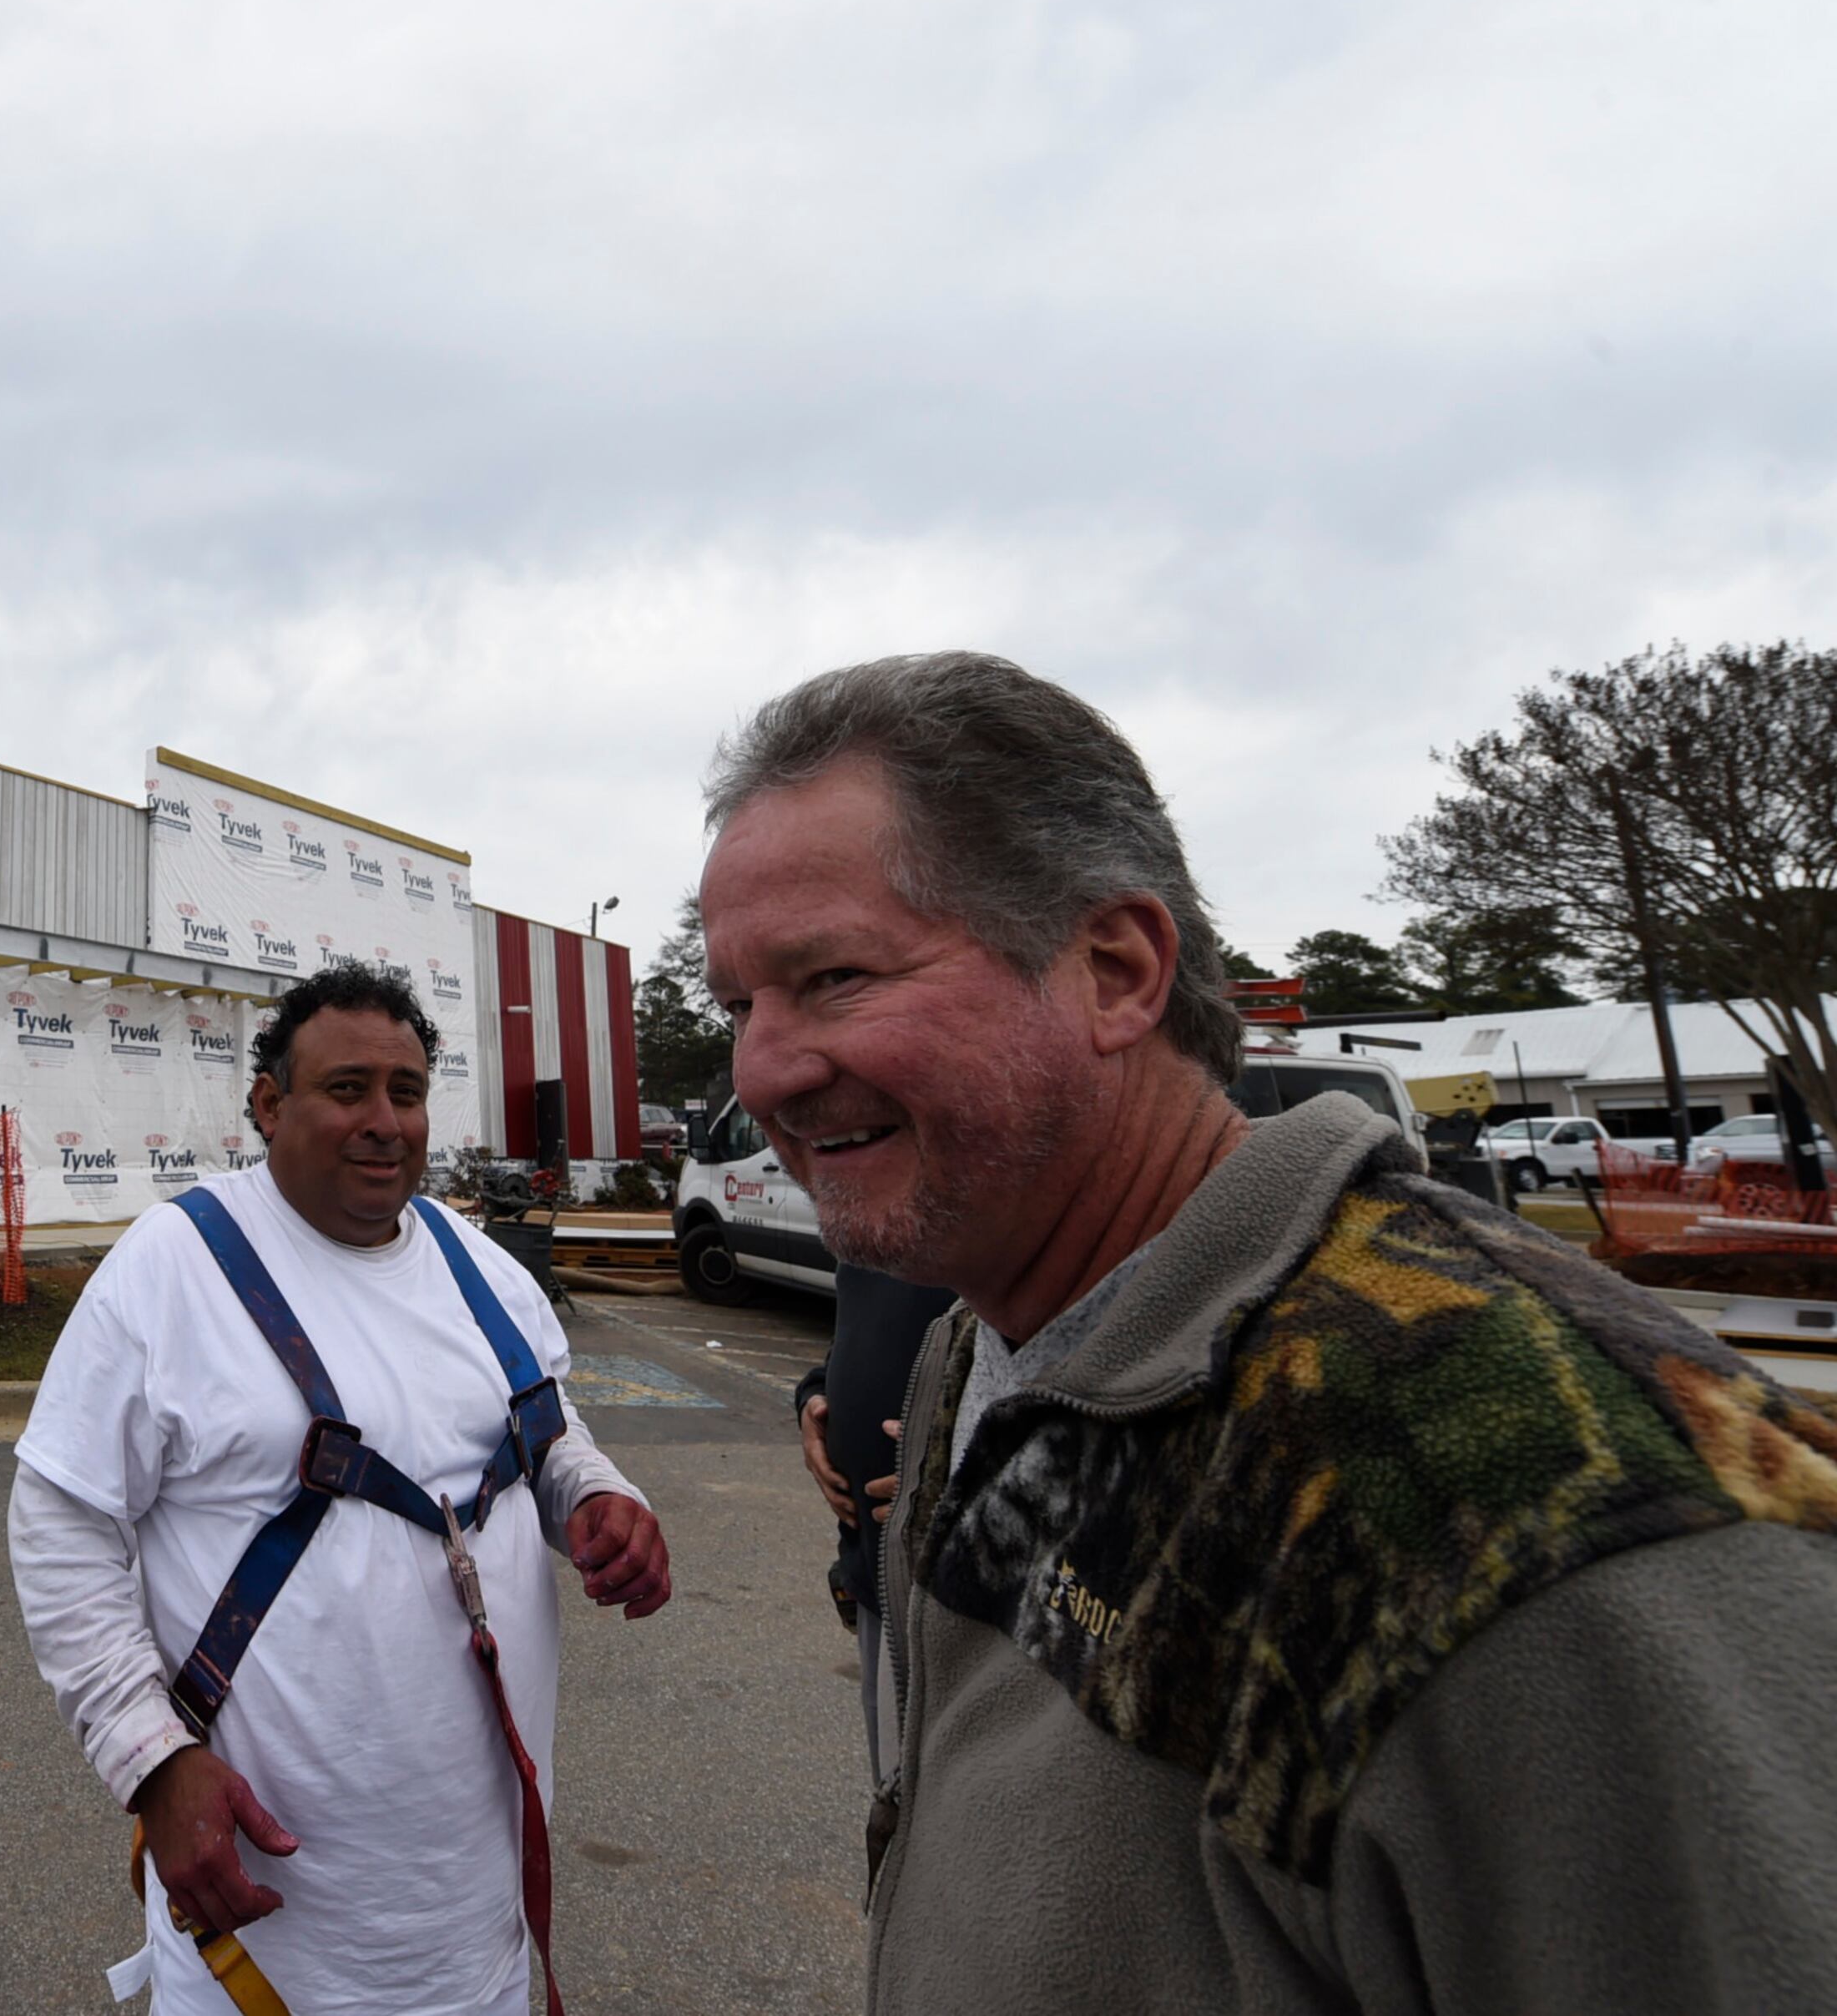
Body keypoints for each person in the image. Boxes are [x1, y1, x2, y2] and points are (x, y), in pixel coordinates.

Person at [699, 651, 1837, 2013]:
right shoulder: (980, 1349)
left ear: (1115, 970)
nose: (761, 1067)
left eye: (831, 977)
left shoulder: (1547, 1499)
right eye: (738, 1005)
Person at [11, 967, 672, 2014]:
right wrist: (149, 1759)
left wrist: (593, 1495)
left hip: (475, 1923)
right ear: (270, 1105)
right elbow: (62, 1524)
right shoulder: (171, 1271)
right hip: (271, 1939)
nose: (384, 1123)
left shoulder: (482, 1266)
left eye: (405, 1093)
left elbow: (545, 1433)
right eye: (347, 1089)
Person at [789, 1263, 956, 1784]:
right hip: (878, 1571)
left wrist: (963, 1454)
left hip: (963, 1591)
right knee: (895, 1803)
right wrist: (814, 1399)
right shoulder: (880, 1221)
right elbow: (857, 1335)